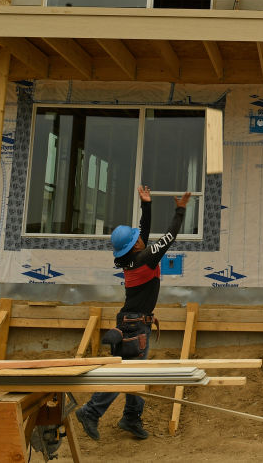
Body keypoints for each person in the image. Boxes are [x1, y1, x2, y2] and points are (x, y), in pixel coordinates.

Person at [75, 185, 191, 441]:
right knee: (126, 374)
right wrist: (180, 210)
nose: (141, 237)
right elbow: (169, 237)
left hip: (133, 322)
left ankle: (130, 418)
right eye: (137, 237)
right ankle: (91, 411)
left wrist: (146, 205)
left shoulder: (133, 258)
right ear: (134, 245)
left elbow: (144, 232)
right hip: (135, 326)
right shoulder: (145, 258)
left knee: (135, 372)